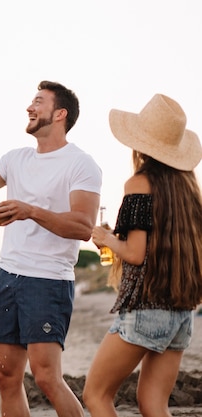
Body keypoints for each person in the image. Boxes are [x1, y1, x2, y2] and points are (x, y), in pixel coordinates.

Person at [0, 81, 102, 416]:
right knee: (6, 375)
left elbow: (82, 226)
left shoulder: (81, 164)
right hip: (9, 277)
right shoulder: (16, 159)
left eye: (38, 101)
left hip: (47, 280)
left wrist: (29, 210)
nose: (29, 107)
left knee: (47, 378)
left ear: (60, 114)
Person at [83, 94, 202, 416]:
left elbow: (135, 254)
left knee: (95, 395)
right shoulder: (188, 192)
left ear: (140, 145)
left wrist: (106, 238)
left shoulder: (139, 183)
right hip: (181, 312)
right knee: (154, 404)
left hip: (146, 308)